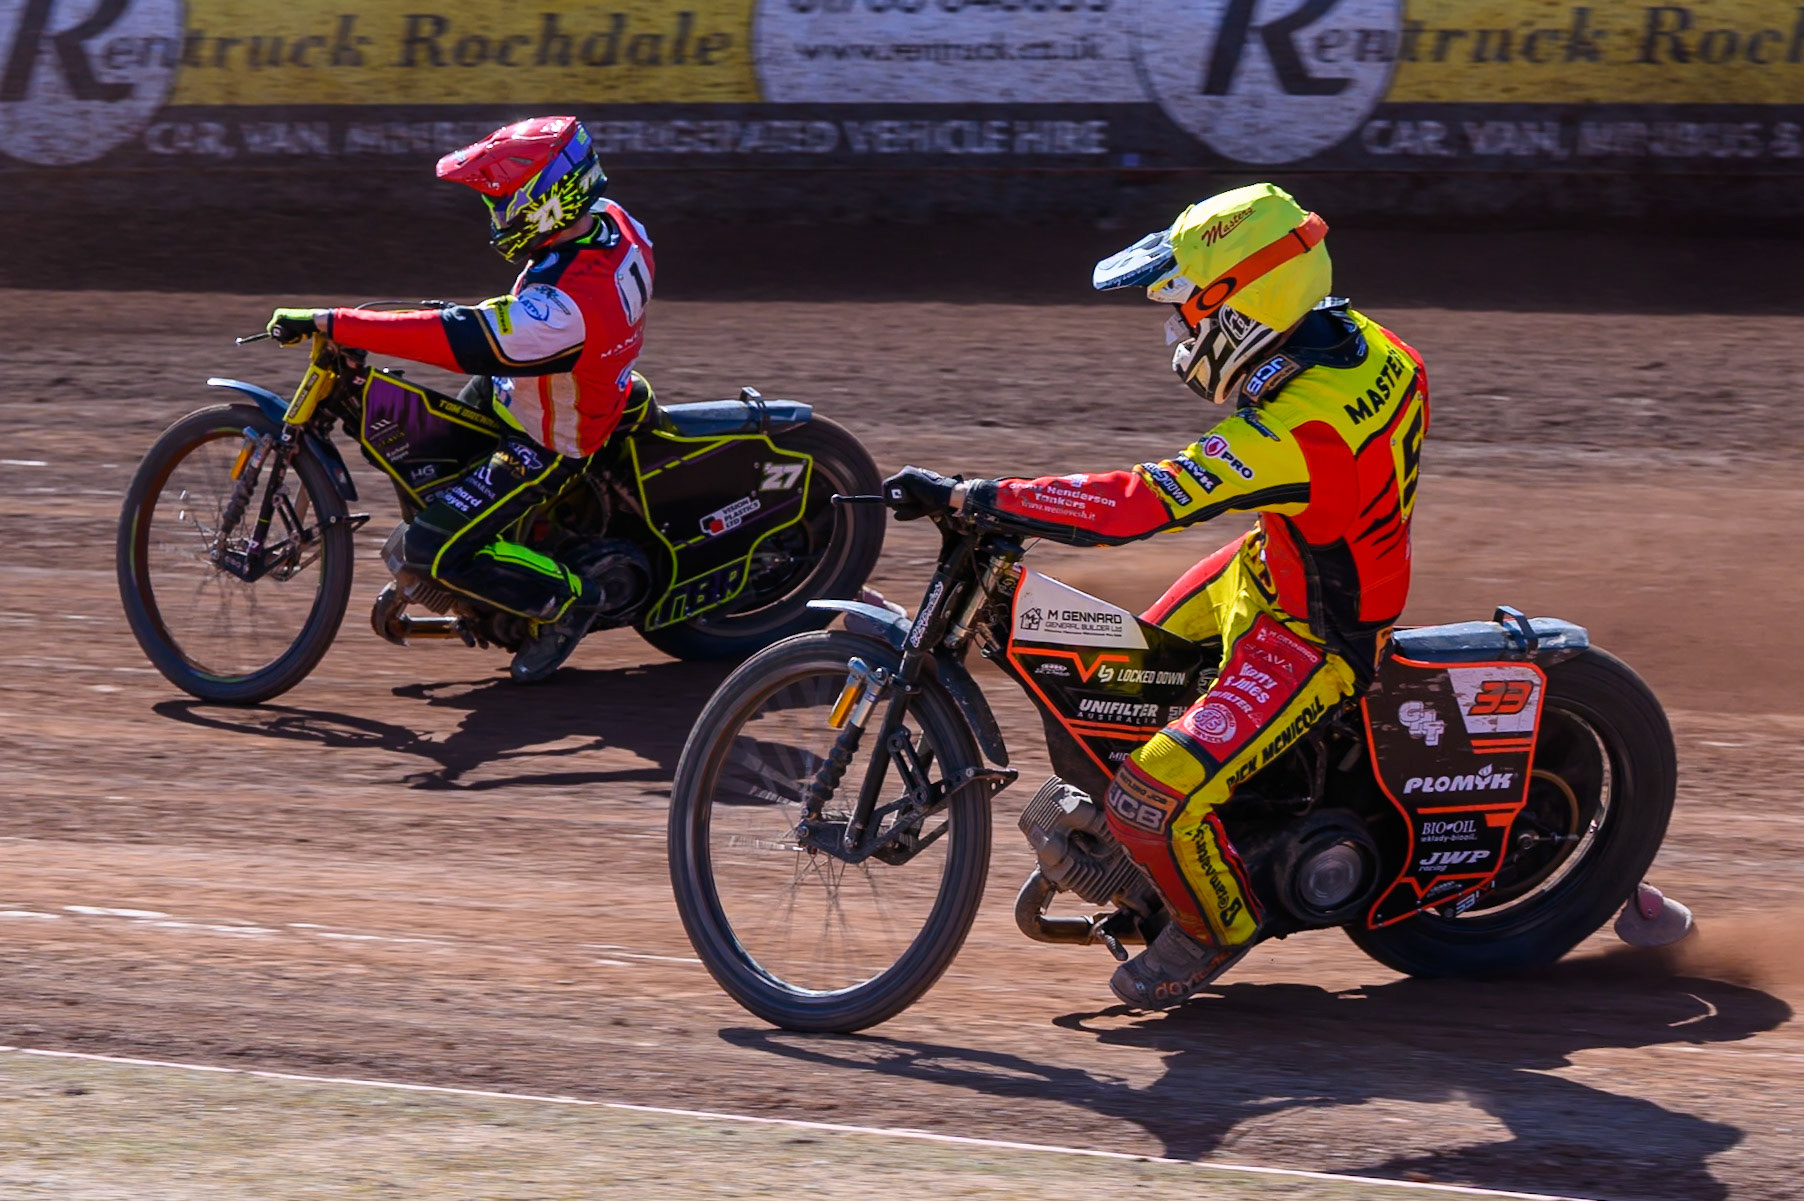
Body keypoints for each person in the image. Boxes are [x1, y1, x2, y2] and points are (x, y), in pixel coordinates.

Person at [882, 183, 1430, 1009]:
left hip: (1314, 638)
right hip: (1274, 566)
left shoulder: (1297, 430)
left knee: (1146, 793)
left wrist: (978, 496)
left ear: (1246, 306)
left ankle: (1216, 924)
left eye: (1186, 309)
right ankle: (1172, 842)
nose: (1176, 331)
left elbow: (1136, 503)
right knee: (1119, 684)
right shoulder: (1366, 344)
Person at [265, 115, 656, 683]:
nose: (496, 218)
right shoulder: (615, 223)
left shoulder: (569, 309)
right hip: (543, 386)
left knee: (431, 549)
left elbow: (456, 340)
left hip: (548, 438)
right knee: (426, 452)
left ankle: (570, 601)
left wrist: (336, 322)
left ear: (544, 201)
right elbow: (512, 323)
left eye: (503, 204)